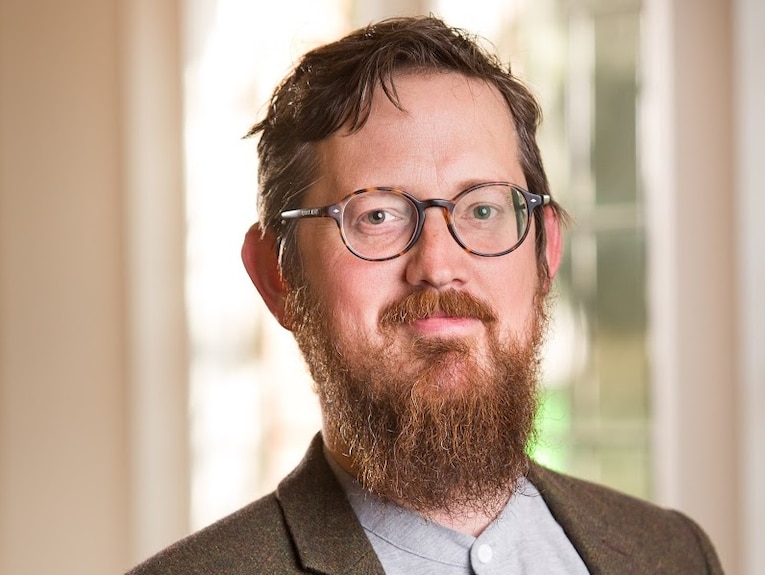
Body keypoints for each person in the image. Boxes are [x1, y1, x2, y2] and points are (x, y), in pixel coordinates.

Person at [128, 15, 724, 575]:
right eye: (378, 215)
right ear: (276, 275)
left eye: (483, 209)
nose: (439, 266)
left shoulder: (675, 553)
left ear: (545, 253)